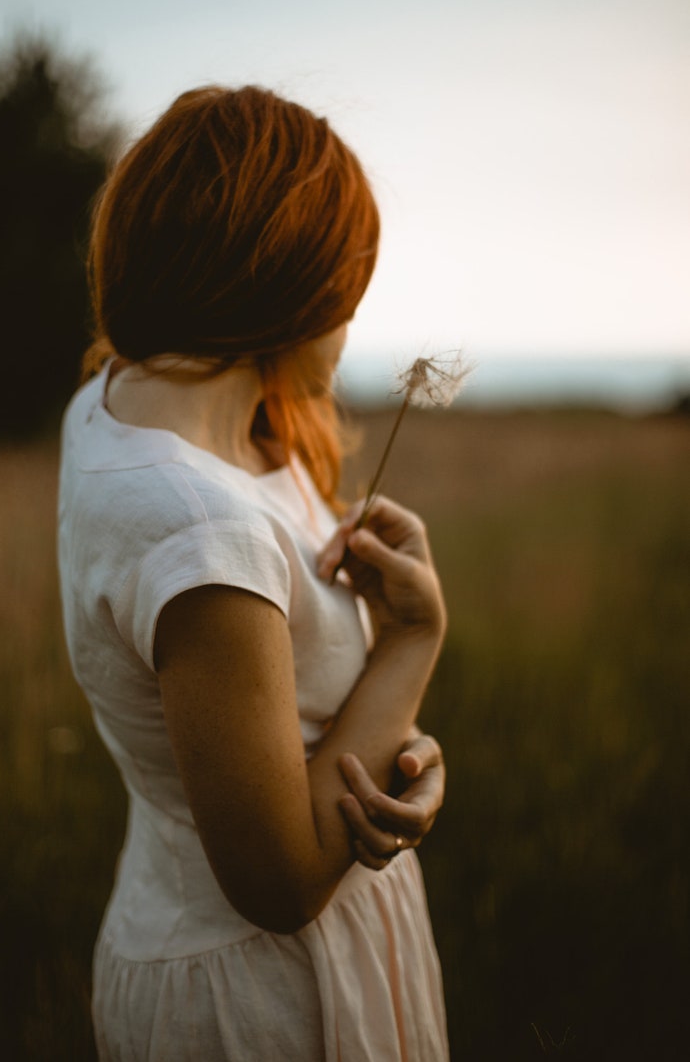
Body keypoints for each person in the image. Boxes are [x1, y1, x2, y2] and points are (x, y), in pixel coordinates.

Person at [57, 85, 450, 1061]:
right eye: (342, 300)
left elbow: (281, 733)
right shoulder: (202, 531)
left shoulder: (119, 402)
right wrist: (411, 642)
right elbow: (278, 883)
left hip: (195, 925)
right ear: (280, 288)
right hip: (263, 1001)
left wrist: (398, 754)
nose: (347, 330)